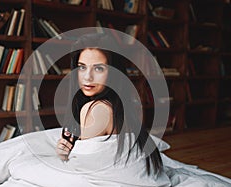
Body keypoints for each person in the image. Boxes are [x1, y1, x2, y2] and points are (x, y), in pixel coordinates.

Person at [56, 32, 163, 176]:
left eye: (98, 68)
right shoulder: (120, 104)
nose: (88, 77)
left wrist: (64, 157)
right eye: (82, 67)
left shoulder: (95, 109)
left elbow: (83, 170)